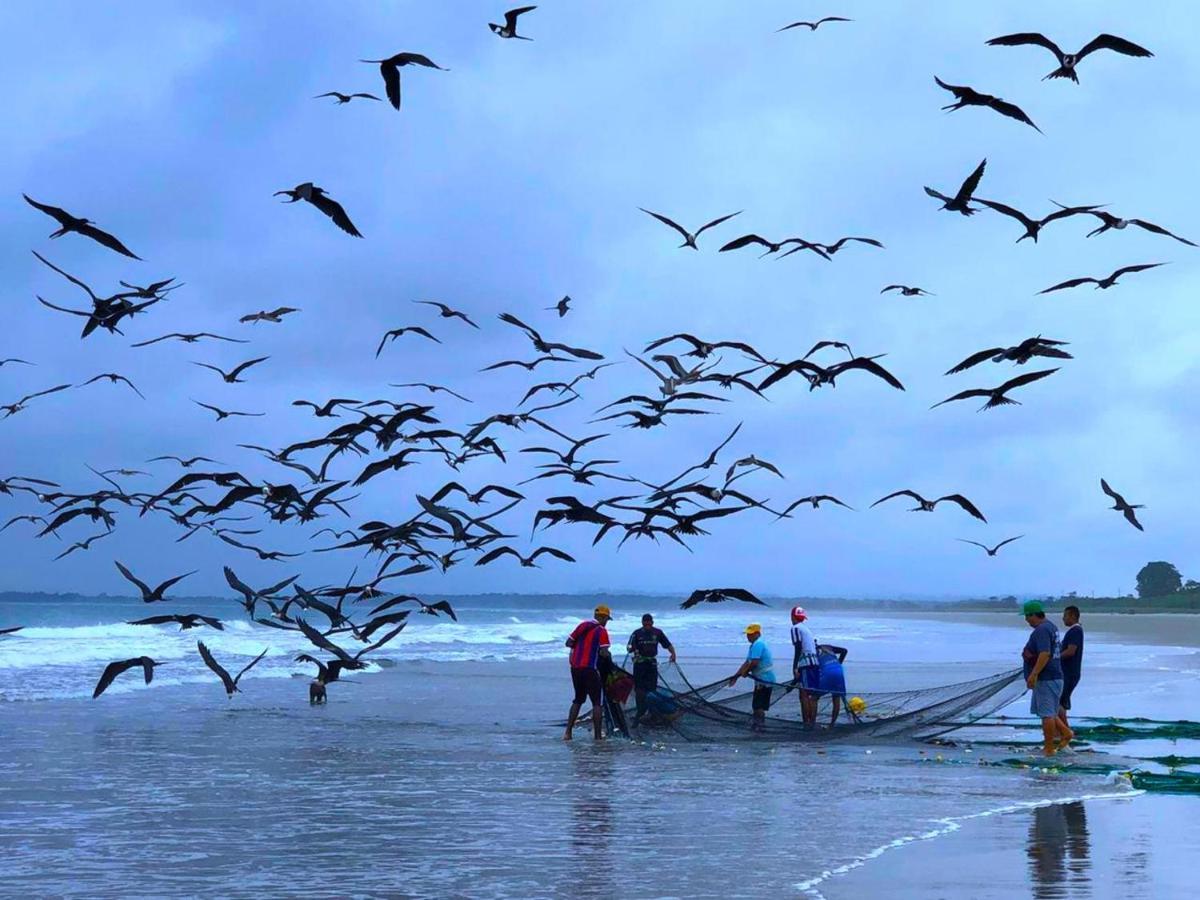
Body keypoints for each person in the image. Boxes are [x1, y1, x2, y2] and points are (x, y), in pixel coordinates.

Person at [1020, 600, 1069, 756]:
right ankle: (1066, 733)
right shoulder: (1051, 627)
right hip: (1053, 677)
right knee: (1049, 712)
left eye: (1027, 617)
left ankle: (1048, 748)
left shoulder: (1041, 630)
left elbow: (1045, 653)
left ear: (1034, 615)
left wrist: (1033, 674)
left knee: (1047, 715)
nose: (1026, 620)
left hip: (1047, 678)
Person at [563, 604, 613, 741]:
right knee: (597, 702)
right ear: (602, 617)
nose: (606, 622)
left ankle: (568, 733)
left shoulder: (582, 625)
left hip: (575, 668)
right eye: (607, 619)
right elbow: (603, 652)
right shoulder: (601, 631)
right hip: (590, 669)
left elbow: (568, 643)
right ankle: (598, 737)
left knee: (578, 699)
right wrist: (608, 657)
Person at [626, 613, 676, 723]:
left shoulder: (657, 632)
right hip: (639, 664)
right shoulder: (636, 633)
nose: (647, 623)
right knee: (639, 689)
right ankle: (640, 712)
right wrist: (631, 648)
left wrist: (673, 653)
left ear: (652, 622)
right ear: (642, 622)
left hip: (652, 663)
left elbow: (667, 644)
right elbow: (628, 647)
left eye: (649, 621)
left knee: (652, 689)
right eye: (645, 621)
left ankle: (652, 713)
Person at [728, 623, 776, 730]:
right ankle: (758, 725)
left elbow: (754, 662)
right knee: (757, 705)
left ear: (757, 634)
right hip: (761, 680)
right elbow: (747, 663)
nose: (748, 636)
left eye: (750, 634)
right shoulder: (753, 646)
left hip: (765, 680)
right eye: (747, 634)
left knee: (758, 705)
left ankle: (760, 726)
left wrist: (746, 672)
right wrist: (736, 676)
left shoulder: (758, 644)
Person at [790, 606, 820, 727]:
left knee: (804, 695)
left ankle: (807, 723)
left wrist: (795, 667)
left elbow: (798, 648)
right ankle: (812, 722)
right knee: (813, 695)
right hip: (815, 663)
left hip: (806, 664)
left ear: (792, 617)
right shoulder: (807, 629)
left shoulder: (795, 628)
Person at [1057, 605, 1084, 737]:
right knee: (1061, 702)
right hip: (1069, 672)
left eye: (1065, 615)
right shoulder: (1075, 631)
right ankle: (1064, 730)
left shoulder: (1075, 631)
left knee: (1059, 703)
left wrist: (1054, 658)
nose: (1063, 618)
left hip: (1069, 672)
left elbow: (1071, 651)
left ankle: (1066, 731)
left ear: (1073, 616)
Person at [815, 644, 848, 725]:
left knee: (814, 697)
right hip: (838, 670)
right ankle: (832, 724)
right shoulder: (827, 647)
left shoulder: (813, 652)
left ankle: (812, 722)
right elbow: (844, 651)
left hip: (827, 672)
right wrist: (839, 663)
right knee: (836, 698)